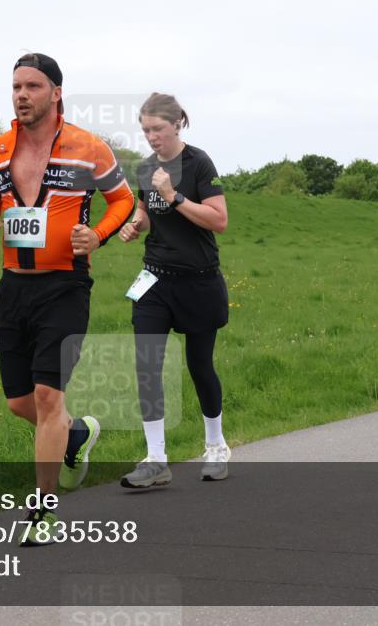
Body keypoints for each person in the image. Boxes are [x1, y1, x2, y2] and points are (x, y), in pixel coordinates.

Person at [0, 53, 135, 544]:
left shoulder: (88, 148)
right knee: (20, 403)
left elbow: (123, 199)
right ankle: (77, 434)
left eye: (33, 86)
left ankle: (44, 511)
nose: (22, 95)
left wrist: (100, 234)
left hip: (65, 285)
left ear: (56, 93)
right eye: (16, 87)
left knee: (47, 397)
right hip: (13, 287)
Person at [117, 92, 230, 488]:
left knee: (200, 366)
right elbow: (147, 213)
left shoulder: (198, 163)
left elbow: (218, 220)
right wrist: (136, 224)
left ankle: (215, 446)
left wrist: (175, 196)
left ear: (177, 124)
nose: (151, 137)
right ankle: (155, 459)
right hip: (155, 280)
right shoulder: (145, 168)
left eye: (158, 129)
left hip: (199, 280)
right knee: (147, 364)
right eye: (145, 130)